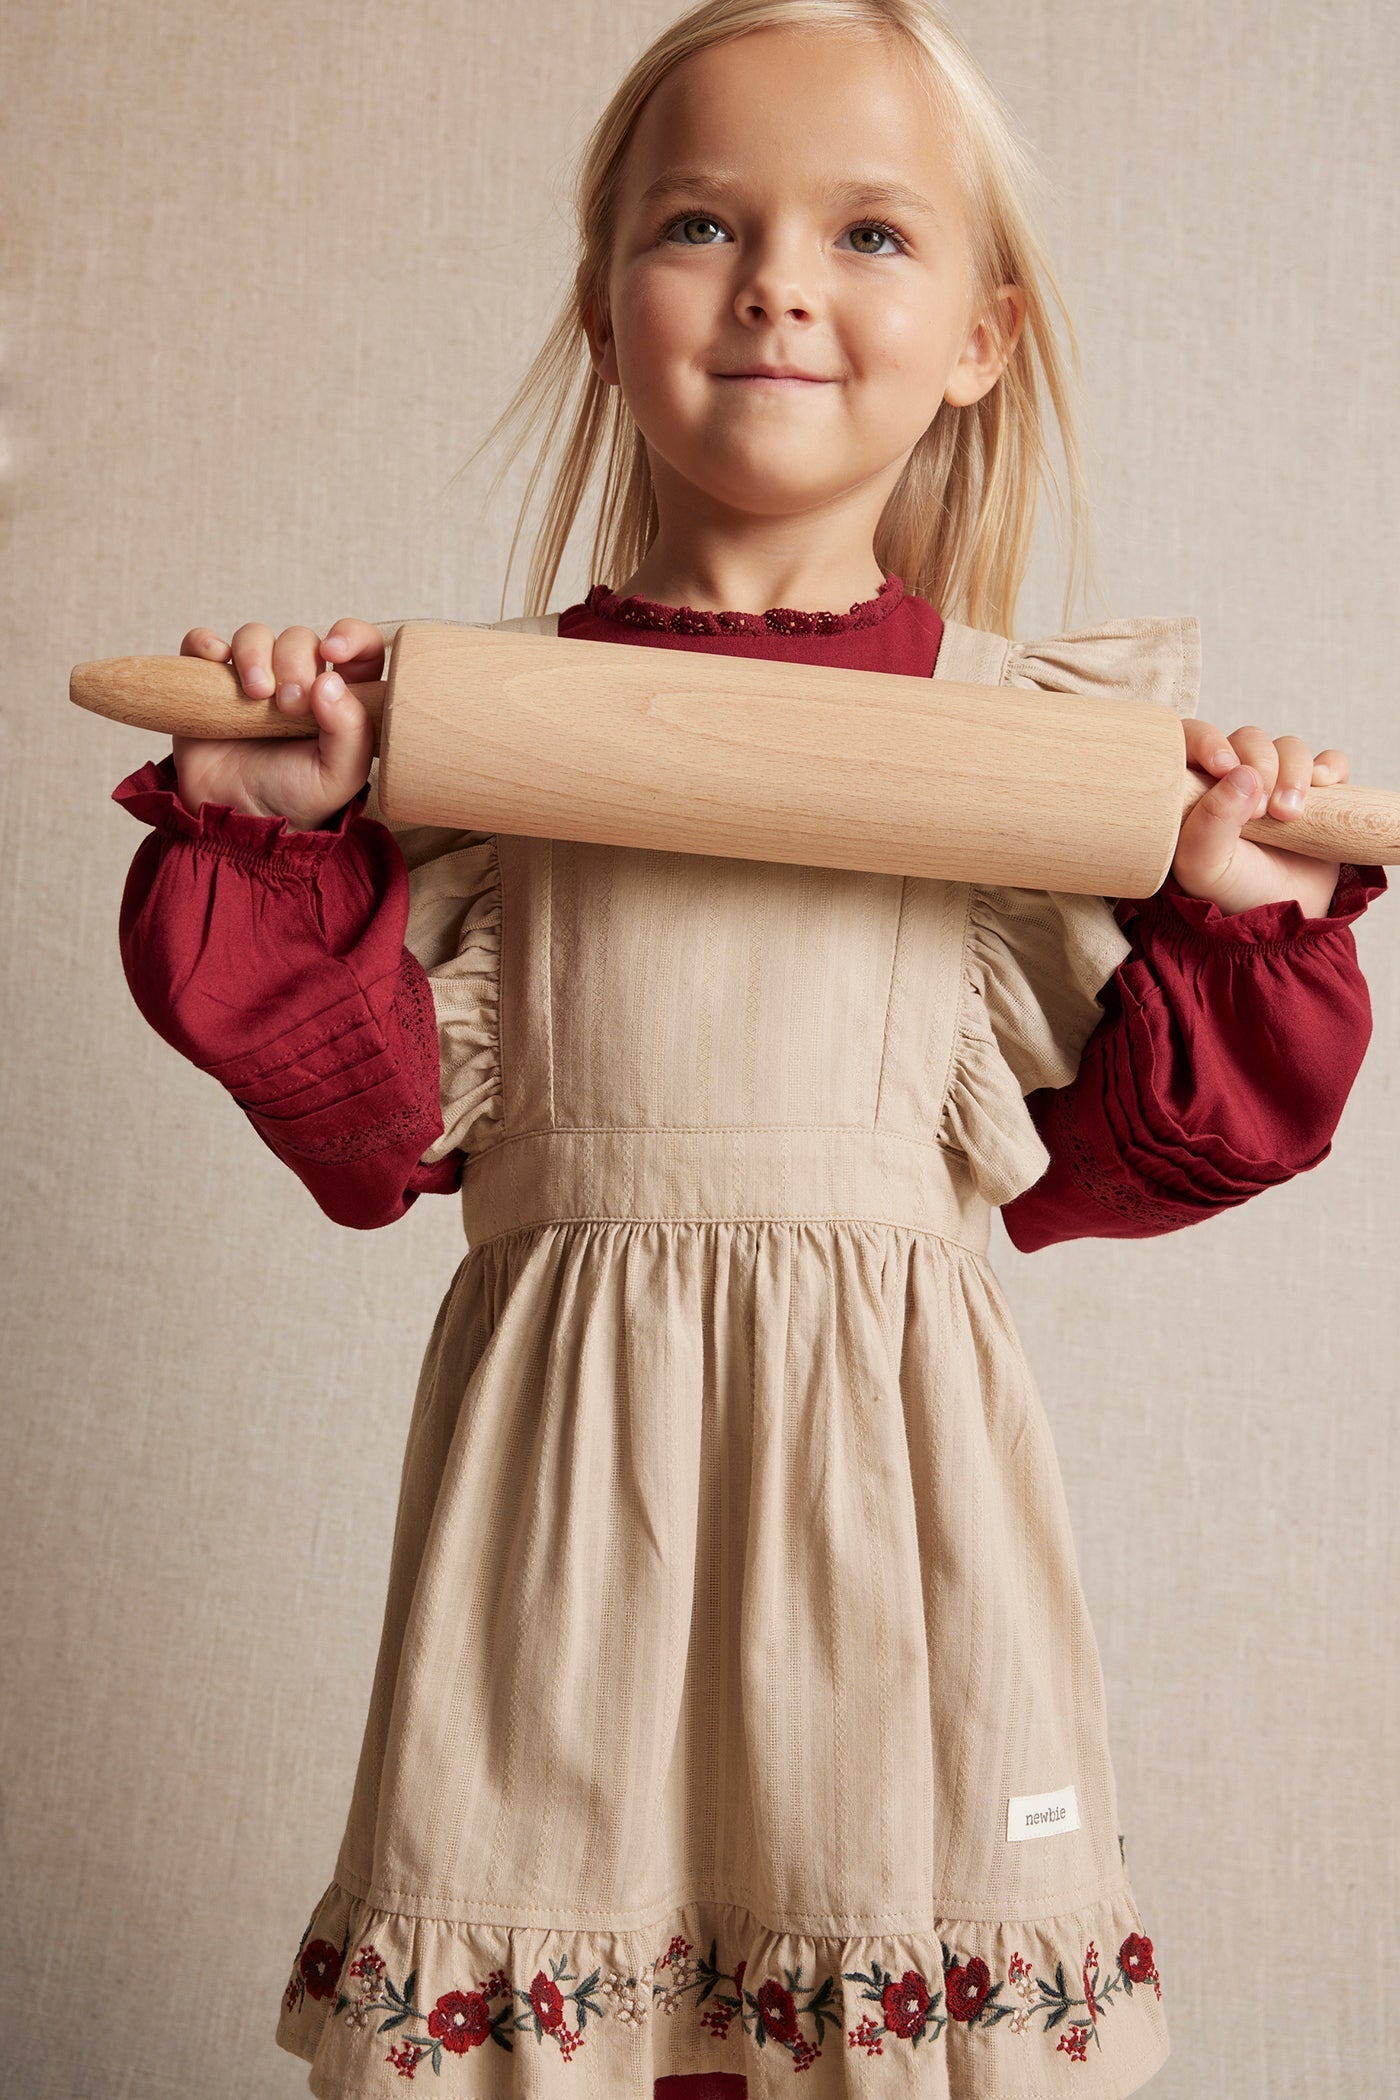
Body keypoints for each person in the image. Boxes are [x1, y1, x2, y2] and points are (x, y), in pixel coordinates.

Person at [109, 3, 1385, 2095]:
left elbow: (1120, 1169)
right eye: (701, 221)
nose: (781, 278)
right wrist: (285, 824)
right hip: (564, 1520)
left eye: (868, 234)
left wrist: (1233, 912)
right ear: (603, 313)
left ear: (981, 331)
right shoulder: (475, 732)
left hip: (894, 1518)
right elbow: (368, 1139)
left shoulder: (1034, 758)